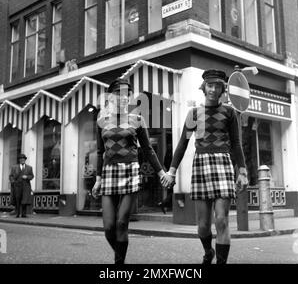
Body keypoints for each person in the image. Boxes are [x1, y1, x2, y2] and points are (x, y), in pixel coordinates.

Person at [162, 69, 248, 264]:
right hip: (201, 165)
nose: (213, 89)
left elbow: (236, 144)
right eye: (210, 85)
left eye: (217, 86)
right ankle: (208, 251)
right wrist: (172, 171)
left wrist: (242, 171)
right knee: (202, 226)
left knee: (221, 220)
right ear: (204, 87)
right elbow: (183, 144)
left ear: (222, 89)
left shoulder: (229, 112)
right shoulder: (193, 114)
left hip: (223, 165)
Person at [92, 78, 167, 264]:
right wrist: (98, 179)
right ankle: (121, 258)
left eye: (127, 94)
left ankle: (119, 265)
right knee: (109, 227)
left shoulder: (137, 119)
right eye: (119, 94)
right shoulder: (102, 120)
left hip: (130, 172)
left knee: (121, 223)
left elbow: (148, 149)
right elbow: (101, 152)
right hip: (109, 172)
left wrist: (161, 172)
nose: (124, 98)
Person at [9, 154, 34, 218]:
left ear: (25, 160)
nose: (22, 160)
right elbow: (11, 176)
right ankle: (17, 213)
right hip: (17, 186)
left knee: (24, 200)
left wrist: (27, 177)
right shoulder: (14, 167)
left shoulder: (29, 168)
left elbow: (32, 176)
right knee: (17, 199)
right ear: (19, 160)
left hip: (26, 186)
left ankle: (23, 214)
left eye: (23, 159)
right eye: (21, 159)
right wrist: (13, 182)